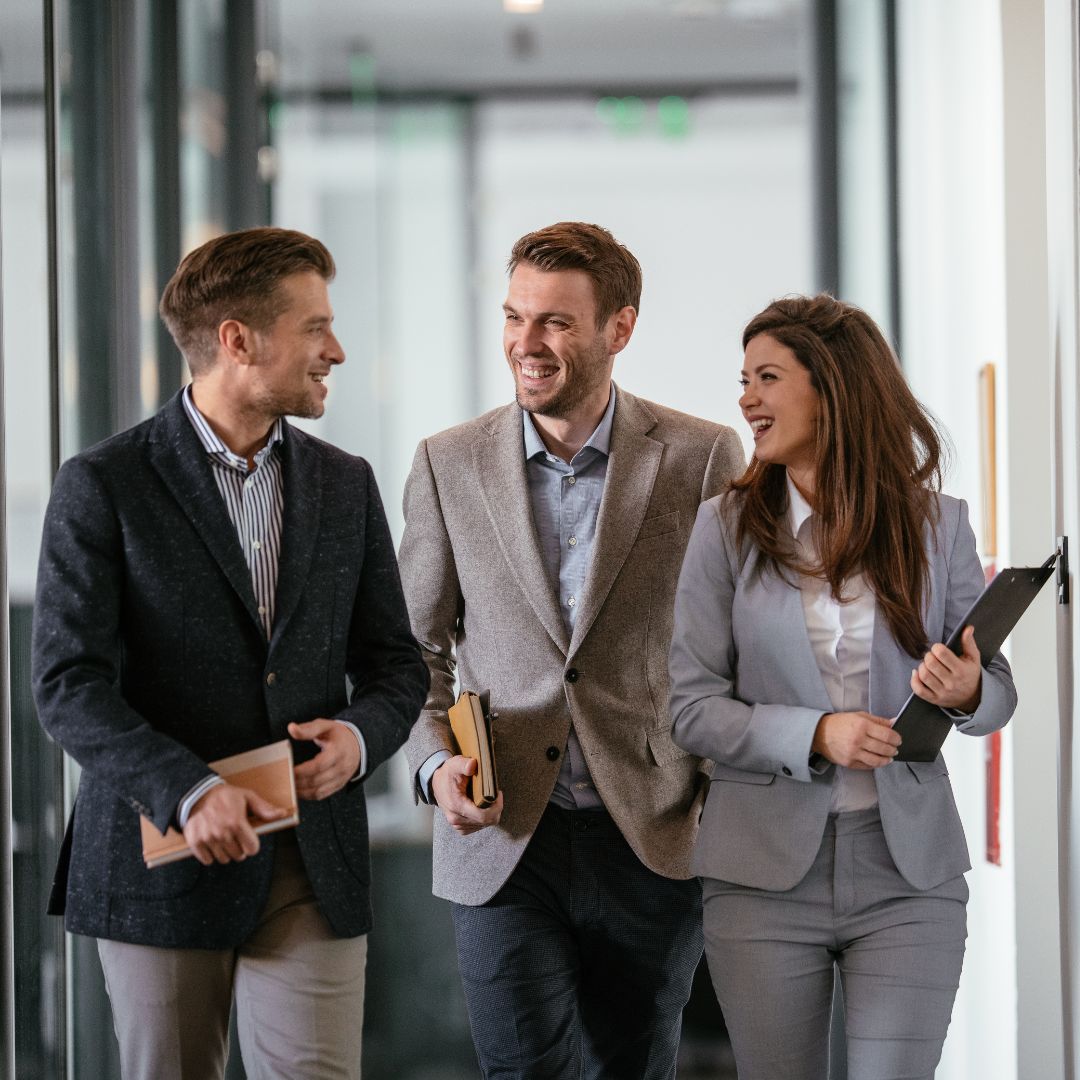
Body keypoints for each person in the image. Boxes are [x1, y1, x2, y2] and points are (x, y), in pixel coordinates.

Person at [31, 226, 429, 1080]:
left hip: (311, 864)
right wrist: (190, 789)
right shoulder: (104, 484)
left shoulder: (345, 482)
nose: (338, 350)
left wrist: (360, 741)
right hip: (159, 859)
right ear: (238, 339)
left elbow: (397, 665)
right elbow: (68, 684)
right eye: (315, 326)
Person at [399, 220, 745, 1079]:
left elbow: (738, 643)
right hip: (503, 832)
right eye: (515, 317)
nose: (527, 342)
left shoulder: (701, 458)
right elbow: (412, 645)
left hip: (653, 830)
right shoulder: (448, 463)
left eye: (554, 321)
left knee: (634, 1066)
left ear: (618, 329)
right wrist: (434, 765)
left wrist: (713, 796)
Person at [668, 293, 1017, 1080]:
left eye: (767, 377)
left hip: (909, 875)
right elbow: (690, 707)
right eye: (744, 379)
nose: (745, 399)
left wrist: (964, 691)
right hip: (760, 878)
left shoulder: (939, 526)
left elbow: (996, 691)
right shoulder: (724, 530)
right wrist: (816, 735)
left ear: (830, 388)